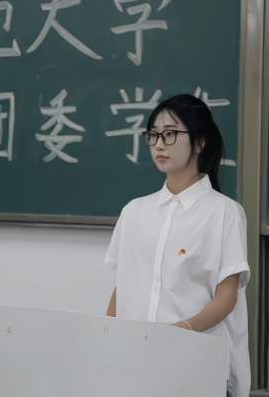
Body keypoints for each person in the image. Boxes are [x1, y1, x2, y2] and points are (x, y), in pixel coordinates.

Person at [104, 94, 250, 397]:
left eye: (170, 134)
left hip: (194, 365)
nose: (159, 144)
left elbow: (226, 298)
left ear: (199, 142)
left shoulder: (224, 212)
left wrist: (181, 331)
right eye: (153, 135)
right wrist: (105, 339)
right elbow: (124, 285)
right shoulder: (134, 211)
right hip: (134, 363)